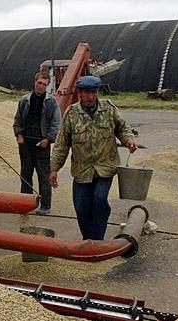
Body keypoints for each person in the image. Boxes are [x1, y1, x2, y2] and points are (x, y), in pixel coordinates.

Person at [49, 75, 137, 240]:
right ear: (80, 93)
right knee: (81, 207)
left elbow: (123, 128)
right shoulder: (72, 113)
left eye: (93, 92)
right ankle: (88, 238)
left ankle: (97, 239)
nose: (90, 97)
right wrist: (54, 168)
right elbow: (62, 144)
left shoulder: (108, 109)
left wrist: (129, 140)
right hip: (82, 170)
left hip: (105, 166)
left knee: (100, 199)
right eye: (87, 93)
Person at [13, 71, 61, 215]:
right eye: (39, 83)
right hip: (26, 144)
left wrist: (48, 139)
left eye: (44, 84)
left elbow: (56, 123)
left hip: (42, 144)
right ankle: (25, 204)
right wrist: (19, 135)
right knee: (25, 175)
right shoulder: (24, 100)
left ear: (48, 86)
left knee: (44, 176)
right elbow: (17, 120)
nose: (41, 86)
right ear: (35, 82)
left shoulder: (51, 102)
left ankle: (45, 206)